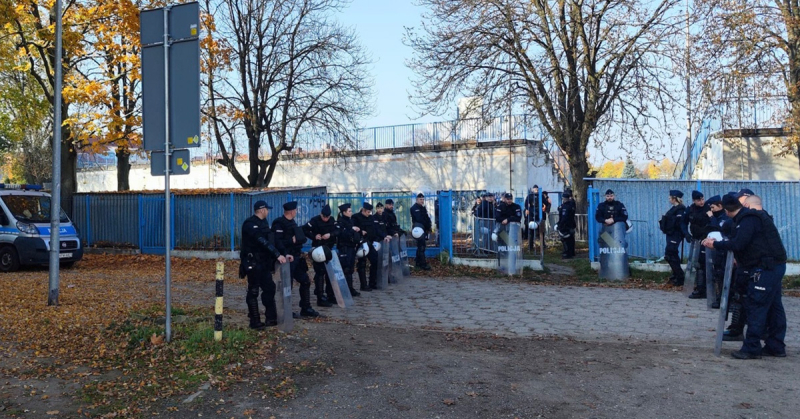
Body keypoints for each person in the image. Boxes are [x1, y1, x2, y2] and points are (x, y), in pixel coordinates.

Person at [702, 194, 787, 359]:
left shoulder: (748, 219)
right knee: (775, 308)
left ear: (726, 211)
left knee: (756, 307)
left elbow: (738, 244)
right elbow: (742, 239)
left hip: (765, 269)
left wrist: (715, 244)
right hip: (773, 267)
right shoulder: (749, 218)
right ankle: (776, 346)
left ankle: (751, 348)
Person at [240, 200, 286, 330]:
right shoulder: (250, 224)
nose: (268, 211)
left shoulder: (264, 223)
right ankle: (254, 321)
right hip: (252, 262)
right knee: (253, 290)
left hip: (264, 262)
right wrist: (277, 254)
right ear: (261, 210)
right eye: (267, 209)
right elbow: (261, 241)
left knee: (269, 288)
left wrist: (282, 253)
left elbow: (271, 241)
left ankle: (271, 318)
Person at [272, 201, 319, 318]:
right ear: (292, 211)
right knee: (287, 285)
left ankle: (306, 307)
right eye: (296, 210)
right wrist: (290, 242)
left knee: (305, 280)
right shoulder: (279, 223)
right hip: (286, 259)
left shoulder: (292, 222)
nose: (296, 212)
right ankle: (285, 310)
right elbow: (276, 242)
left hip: (296, 257)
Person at [302, 204, 337, 307]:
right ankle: (320, 296)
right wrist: (314, 236)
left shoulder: (332, 220)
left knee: (330, 273)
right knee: (320, 272)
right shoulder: (314, 220)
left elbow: (337, 230)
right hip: (318, 249)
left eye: (327, 217)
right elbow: (304, 229)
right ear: (321, 214)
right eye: (324, 216)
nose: (325, 219)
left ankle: (330, 295)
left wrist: (330, 235)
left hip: (329, 249)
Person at [353, 202, 389, 289]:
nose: (369, 214)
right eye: (368, 212)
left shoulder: (371, 218)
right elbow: (353, 229)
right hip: (361, 243)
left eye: (370, 212)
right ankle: (363, 285)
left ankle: (372, 282)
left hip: (370, 242)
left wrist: (384, 236)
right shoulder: (356, 217)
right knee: (362, 263)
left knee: (375, 260)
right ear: (364, 210)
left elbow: (376, 229)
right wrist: (360, 231)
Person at [682, 190, 711, 299]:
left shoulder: (708, 208)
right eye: (699, 200)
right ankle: (700, 288)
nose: (701, 201)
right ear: (694, 200)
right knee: (698, 264)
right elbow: (683, 222)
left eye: (702, 199)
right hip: (696, 240)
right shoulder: (690, 209)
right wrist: (686, 234)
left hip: (706, 240)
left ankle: (704, 288)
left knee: (704, 264)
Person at [659, 190, 686, 286]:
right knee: (672, 255)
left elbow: (678, 223)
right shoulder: (674, 208)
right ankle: (676, 275)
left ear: (674, 198)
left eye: (670, 198)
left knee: (670, 254)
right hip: (670, 234)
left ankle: (680, 276)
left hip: (675, 234)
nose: (669, 199)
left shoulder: (680, 209)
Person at [334, 203, 361, 297]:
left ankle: (350, 288)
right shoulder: (340, 222)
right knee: (345, 268)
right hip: (344, 248)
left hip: (351, 247)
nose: (351, 212)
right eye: (349, 211)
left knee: (350, 268)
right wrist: (351, 229)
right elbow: (341, 234)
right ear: (344, 212)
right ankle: (343, 289)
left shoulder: (350, 221)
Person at [410, 193, 433, 270]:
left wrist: (429, 226)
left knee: (421, 246)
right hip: (418, 229)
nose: (422, 201)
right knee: (421, 246)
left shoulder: (422, 208)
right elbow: (420, 219)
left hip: (423, 229)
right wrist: (427, 225)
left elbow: (426, 218)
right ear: (417, 200)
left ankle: (418, 262)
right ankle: (422, 264)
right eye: (420, 199)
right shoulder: (414, 208)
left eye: (423, 199)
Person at [557, 191, 577, 259]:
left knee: (566, 240)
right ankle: (571, 252)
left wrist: (559, 225)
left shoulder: (565, 206)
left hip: (566, 226)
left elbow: (564, 217)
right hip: (571, 225)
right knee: (571, 239)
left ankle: (567, 253)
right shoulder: (571, 205)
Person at [524, 185, 544, 250]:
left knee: (541, 230)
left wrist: (544, 208)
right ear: (532, 189)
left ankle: (542, 245)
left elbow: (546, 203)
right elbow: (526, 204)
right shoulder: (530, 196)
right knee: (531, 230)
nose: (536, 190)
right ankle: (530, 246)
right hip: (532, 214)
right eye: (535, 189)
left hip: (539, 214)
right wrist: (527, 209)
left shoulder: (540, 195)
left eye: (537, 189)